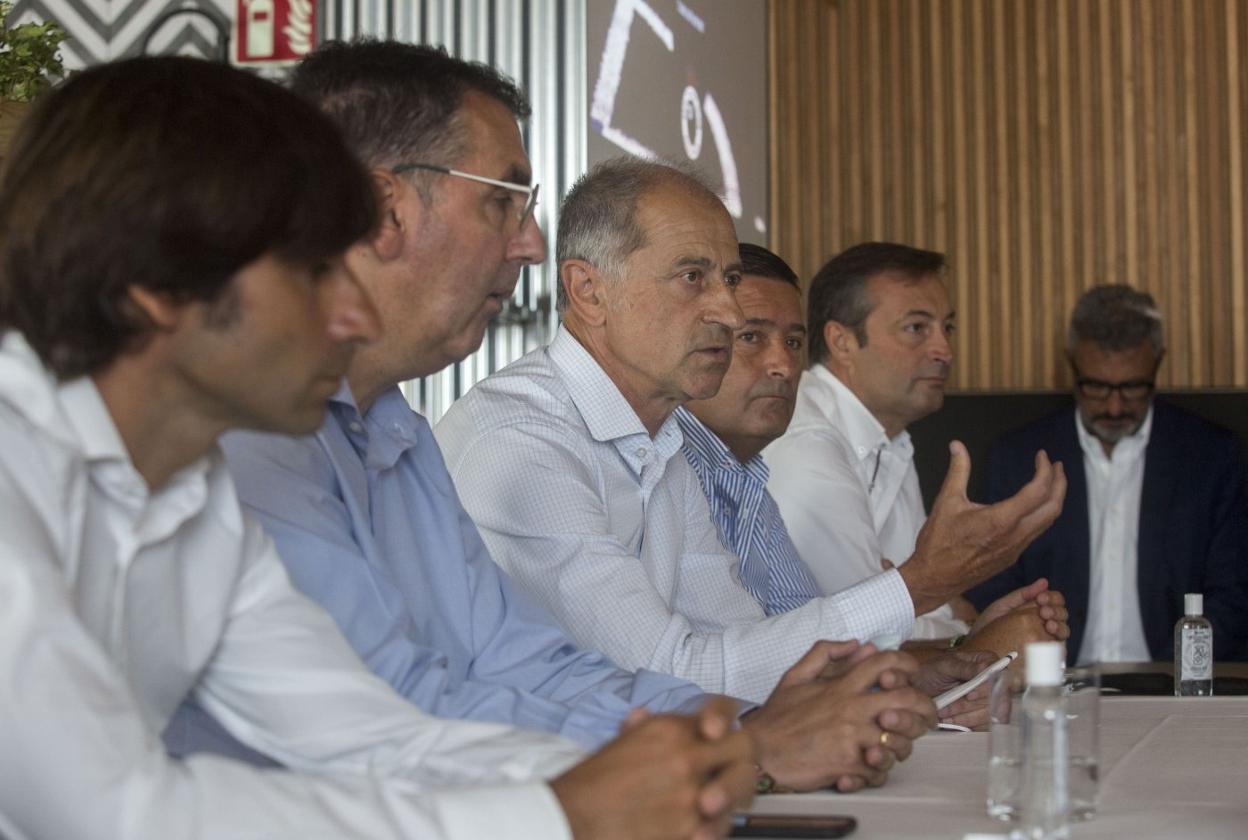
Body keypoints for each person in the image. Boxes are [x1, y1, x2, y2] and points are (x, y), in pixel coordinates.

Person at [0, 55, 754, 840]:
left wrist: (672, 764)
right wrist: (558, 813)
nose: (355, 316)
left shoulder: (198, 495)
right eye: (314, 270)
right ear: (158, 285)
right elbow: (123, 814)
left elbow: (375, 738)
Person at [166, 39, 922, 796]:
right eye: (503, 201)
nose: (529, 245)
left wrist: (732, 724)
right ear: (384, 207)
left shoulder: (398, 429)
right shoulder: (250, 436)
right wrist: (739, 745)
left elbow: (518, 659)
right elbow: (396, 712)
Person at [436, 157, 1065, 708]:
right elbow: (670, 676)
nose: (729, 312)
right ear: (588, 290)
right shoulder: (521, 443)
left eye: (731, 279)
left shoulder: (664, 441)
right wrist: (923, 581)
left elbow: (739, 647)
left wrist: (924, 676)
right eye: (693, 277)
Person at [681, 243, 1069, 673]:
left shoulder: (889, 443)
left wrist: (957, 617)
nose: (944, 350)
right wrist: (959, 621)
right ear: (841, 341)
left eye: (793, 342)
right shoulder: (801, 446)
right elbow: (844, 644)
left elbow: (829, 643)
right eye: (917, 328)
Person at [968, 285, 1248, 663]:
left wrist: (1177, 677)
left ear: (1158, 364)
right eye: (1096, 387)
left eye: (1132, 387)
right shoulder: (1017, 457)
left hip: (1174, 688)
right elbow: (991, 588)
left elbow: (1233, 594)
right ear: (1071, 365)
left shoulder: (1211, 456)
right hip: (1050, 685)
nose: (1114, 407)